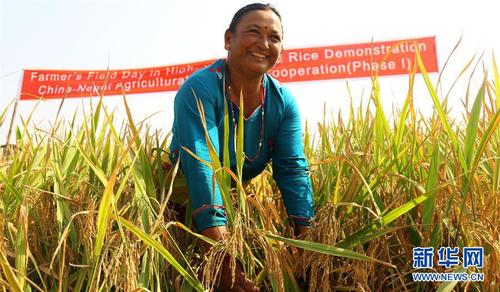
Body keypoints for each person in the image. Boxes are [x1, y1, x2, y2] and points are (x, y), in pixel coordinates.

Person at [168, 3, 314, 290]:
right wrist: (223, 260)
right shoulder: (200, 89)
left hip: (233, 203)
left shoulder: (283, 103)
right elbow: (201, 168)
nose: (263, 43)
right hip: (178, 201)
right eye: (254, 32)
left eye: (274, 37)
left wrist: (310, 251)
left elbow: (293, 171)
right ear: (228, 39)